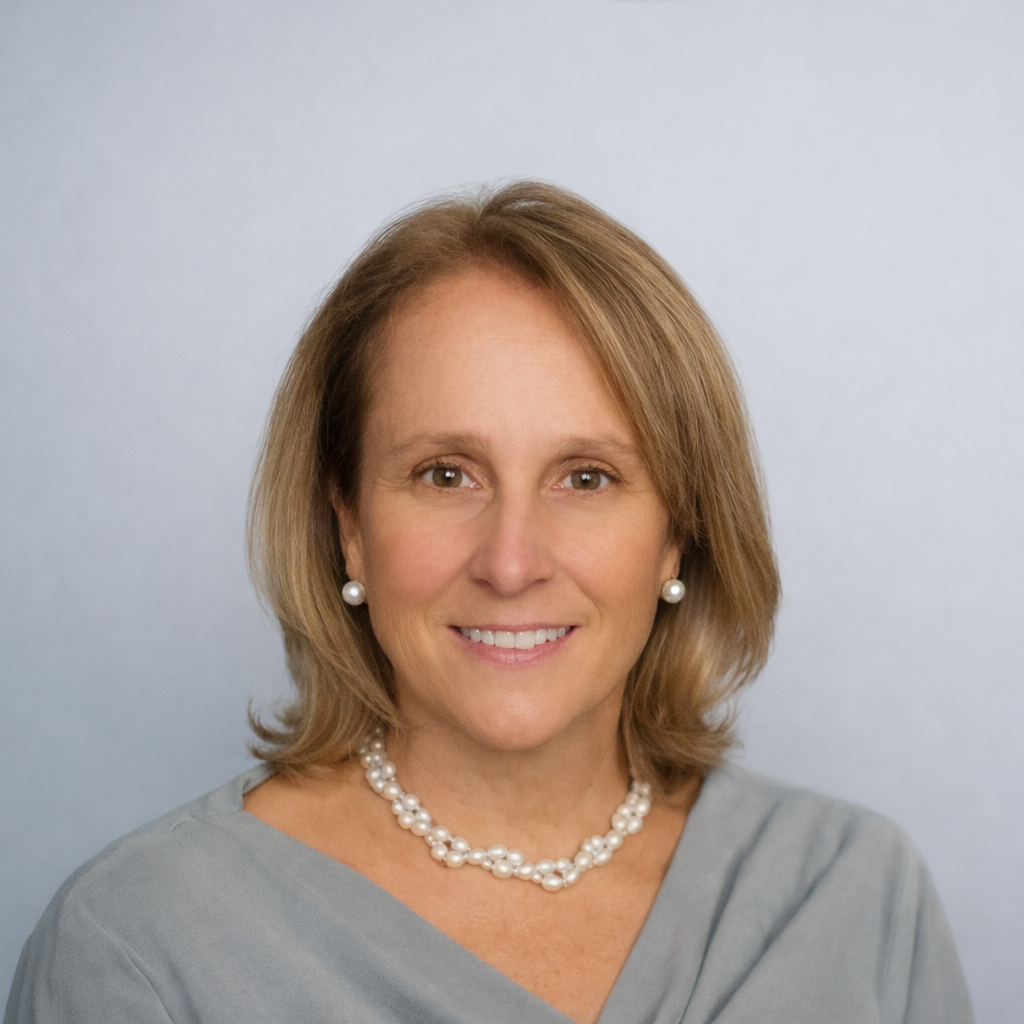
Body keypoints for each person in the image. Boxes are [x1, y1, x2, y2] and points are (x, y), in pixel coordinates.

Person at [5, 182, 972, 1024]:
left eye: (587, 478)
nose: (512, 563)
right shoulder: (136, 945)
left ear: (677, 530)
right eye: (444, 475)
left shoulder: (854, 894)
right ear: (347, 526)